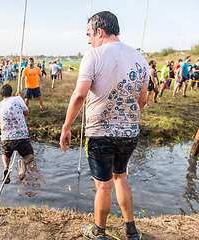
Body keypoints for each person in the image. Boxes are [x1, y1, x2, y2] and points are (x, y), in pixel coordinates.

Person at [60, 11, 147, 240]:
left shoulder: (94, 55)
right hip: (130, 132)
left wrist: (66, 126)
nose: (88, 40)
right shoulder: (140, 58)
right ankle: (131, 230)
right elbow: (143, 100)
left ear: (100, 32)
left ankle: (98, 232)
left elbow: (79, 95)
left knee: (104, 186)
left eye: (89, 34)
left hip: (100, 133)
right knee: (121, 176)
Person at [0, 84, 34, 184]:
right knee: (30, 155)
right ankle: (23, 163)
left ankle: (6, 167)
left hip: (6, 138)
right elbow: (27, 113)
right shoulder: (18, 99)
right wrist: (20, 98)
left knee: (5, 155)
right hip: (22, 136)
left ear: (1, 95)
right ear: (11, 93)